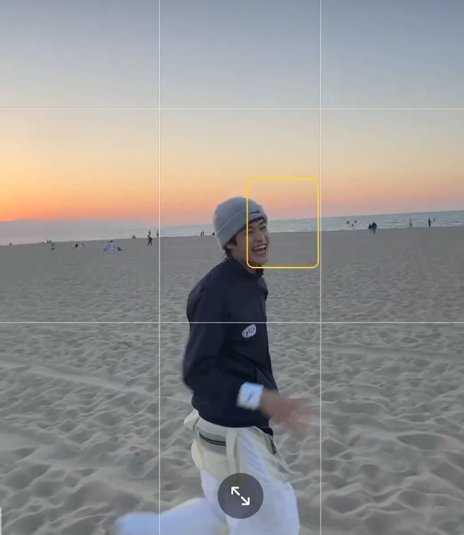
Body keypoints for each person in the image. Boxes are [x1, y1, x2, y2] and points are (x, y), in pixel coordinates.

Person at [114, 197, 310, 535]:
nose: (261, 237)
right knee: (278, 525)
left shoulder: (253, 282)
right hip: (234, 439)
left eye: (263, 226)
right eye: (248, 231)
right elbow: (198, 372)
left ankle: (135, 529)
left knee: (222, 516)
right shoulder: (215, 293)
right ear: (229, 242)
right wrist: (261, 397)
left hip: (226, 434)